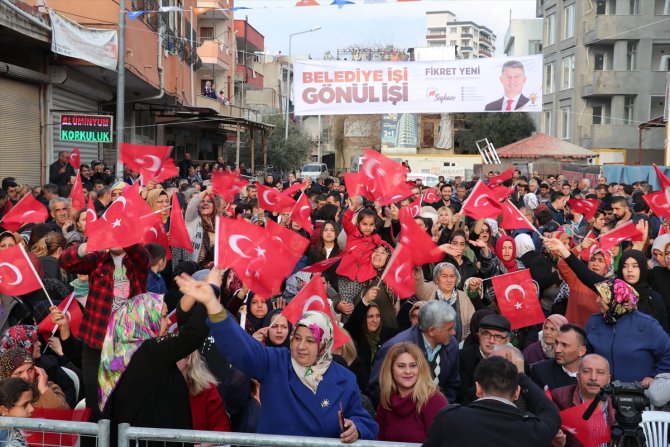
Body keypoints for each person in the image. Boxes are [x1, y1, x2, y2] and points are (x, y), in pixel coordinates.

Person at [174, 273, 378, 442]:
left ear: (324, 345)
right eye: (297, 338)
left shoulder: (344, 378)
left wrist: (357, 428)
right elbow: (241, 347)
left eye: (310, 341)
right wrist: (212, 304)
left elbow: (365, 420)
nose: (301, 346)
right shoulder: (276, 362)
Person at [99, 288, 209, 445]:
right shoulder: (148, 351)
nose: (169, 321)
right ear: (145, 319)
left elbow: (184, 332)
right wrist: (210, 292)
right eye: (164, 316)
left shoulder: (123, 351)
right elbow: (192, 336)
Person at [423, 356, 561, 447]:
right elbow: (551, 413)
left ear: (478, 388)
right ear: (517, 392)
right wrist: (522, 376)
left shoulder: (449, 418)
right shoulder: (532, 430)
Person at [368, 300, 460, 405]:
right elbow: (377, 388)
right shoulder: (395, 347)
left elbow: (452, 384)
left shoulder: (452, 345)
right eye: (449, 329)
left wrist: (441, 408)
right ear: (431, 331)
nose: (453, 333)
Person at [375, 342, 448, 442]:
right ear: (391, 369)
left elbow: (443, 441)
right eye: (401, 366)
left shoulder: (434, 400)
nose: (408, 371)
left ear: (421, 368)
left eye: (413, 366)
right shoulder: (386, 402)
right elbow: (378, 441)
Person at [549, 354, 614, 447]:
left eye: (600, 372)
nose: (593, 377)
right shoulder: (559, 398)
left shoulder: (617, 403)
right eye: (587, 371)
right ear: (578, 376)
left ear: (609, 379)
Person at [414, 262, 482, 341]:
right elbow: (419, 288)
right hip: (431, 344)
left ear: (456, 279)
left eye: (452, 276)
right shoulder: (430, 289)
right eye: (444, 276)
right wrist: (418, 272)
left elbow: (470, 324)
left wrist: (464, 343)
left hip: (457, 345)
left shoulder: (463, 296)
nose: (449, 280)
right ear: (437, 279)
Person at [458, 314, 512, 404]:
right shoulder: (463, 357)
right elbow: (460, 395)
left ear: (506, 341)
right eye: (486, 334)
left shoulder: (513, 361)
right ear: (479, 334)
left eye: (498, 337)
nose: (491, 341)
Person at [0, 347, 69, 410]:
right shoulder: (2, 394)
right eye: (19, 373)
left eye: (30, 370)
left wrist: (44, 389)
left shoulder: (48, 387)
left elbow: (64, 415)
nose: (26, 377)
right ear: (6, 376)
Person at [530, 324, 587, 391]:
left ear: (581, 351)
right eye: (556, 343)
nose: (557, 350)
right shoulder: (541, 372)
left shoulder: (594, 374)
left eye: (565, 345)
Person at [0, 377, 35, 446]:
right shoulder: (10, 441)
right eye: (24, 405)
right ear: (4, 410)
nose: (32, 409)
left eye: (31, 402)